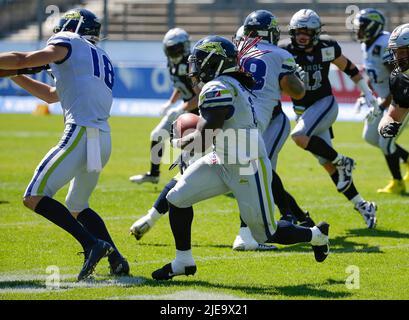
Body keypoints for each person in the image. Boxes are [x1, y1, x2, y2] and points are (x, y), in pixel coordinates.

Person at [151, 36, 330, 280]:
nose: (196, 67)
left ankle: (316, 235)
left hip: (247, 165)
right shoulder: (224, 84)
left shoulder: (218, 88)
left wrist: (179, 142)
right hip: (222, 159)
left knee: (266, 234)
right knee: (177, 198)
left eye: (201, 61)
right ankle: (183, 261)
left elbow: (206, 133)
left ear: (216, 62)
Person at [0, 8, 129, 280]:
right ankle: (116, 258)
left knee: (33, 195)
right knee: (77, 204)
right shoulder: (98, 56)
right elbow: (49, 95)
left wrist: (14, 67)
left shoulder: (69, 41)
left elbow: (26, 58)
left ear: (70, 26)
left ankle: (92, 244)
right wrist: (13, 75)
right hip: (101, 139)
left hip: (81, 132)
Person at [280, 9, 378, 228]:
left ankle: (343, 160)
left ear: (316, 32)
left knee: (298, 136)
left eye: (307, 31)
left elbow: (350, 69)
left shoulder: (326, 47)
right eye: (298, 31)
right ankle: (363, 205)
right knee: (327, 164)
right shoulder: (284, 51)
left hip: (325, 104)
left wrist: (368, 94)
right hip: (304, 112)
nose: (302, 36)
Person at [235, 11, 316, 238]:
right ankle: (296, 216)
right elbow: (298, 93)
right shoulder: (279, 54)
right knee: (262, 172)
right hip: (267, 119)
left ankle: (269, 224)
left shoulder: (237, 55)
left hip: (269, 121)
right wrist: (297, 78)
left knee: (260, 171)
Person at [129, 28, 198, 184]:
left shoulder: (191, 64)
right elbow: (180, 84)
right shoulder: (173, 63)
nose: (174, 52)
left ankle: (192, 180)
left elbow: (200, 96)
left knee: (191, 148)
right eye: (171, 48)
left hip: (198, 111)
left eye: (177, 48)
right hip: (185, 108)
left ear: (185, 46)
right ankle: (154, 174)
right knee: (157, 135)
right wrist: (170, 102)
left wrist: (182, 108)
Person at [353, 9, 409, 194]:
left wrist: (382, 107)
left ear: (373, 26)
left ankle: (398, 182)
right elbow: (372, 72)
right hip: (385, 99)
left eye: (361, 27)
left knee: (386, 141)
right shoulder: (367, 44)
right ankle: (407, 159)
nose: (358, 31)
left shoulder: (386, 45)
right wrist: (366, 94)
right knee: (370, 137)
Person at [379, 24, 409, 139]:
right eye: (395, 52)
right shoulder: (400, 78)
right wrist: (384, 127)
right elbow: (391, 116)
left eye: (402, 52)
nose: (397, 57)